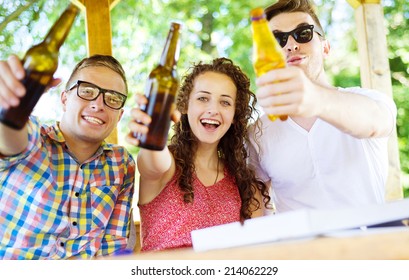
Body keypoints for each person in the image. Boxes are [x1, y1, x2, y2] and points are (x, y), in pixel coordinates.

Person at [247, 0, 397, 213]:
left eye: (303, 33)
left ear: (325, 47)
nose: (290, 45)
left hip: (369, 243)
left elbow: (375, 122)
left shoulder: (370, 101)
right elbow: (255, 205)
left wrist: (315, 99)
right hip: (300, 246)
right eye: (277, 40)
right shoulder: (258, 133)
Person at [126, 57, 271, 251]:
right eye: (203, 98)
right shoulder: (168, 165)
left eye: (225, 102)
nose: (213, 110)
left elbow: (257, 255)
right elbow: (152, 161)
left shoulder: (245, 185)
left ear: (235, 115)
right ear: (185, 105)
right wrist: (153, 134)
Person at [0, 54, 135, 259]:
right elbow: (9, 137)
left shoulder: (121, 163)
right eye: (87, 91)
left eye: (113, 99)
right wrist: (10, 110)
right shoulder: (33, 137)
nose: (98, 105)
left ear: (120, 116)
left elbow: (113, 248)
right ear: (64, 99)